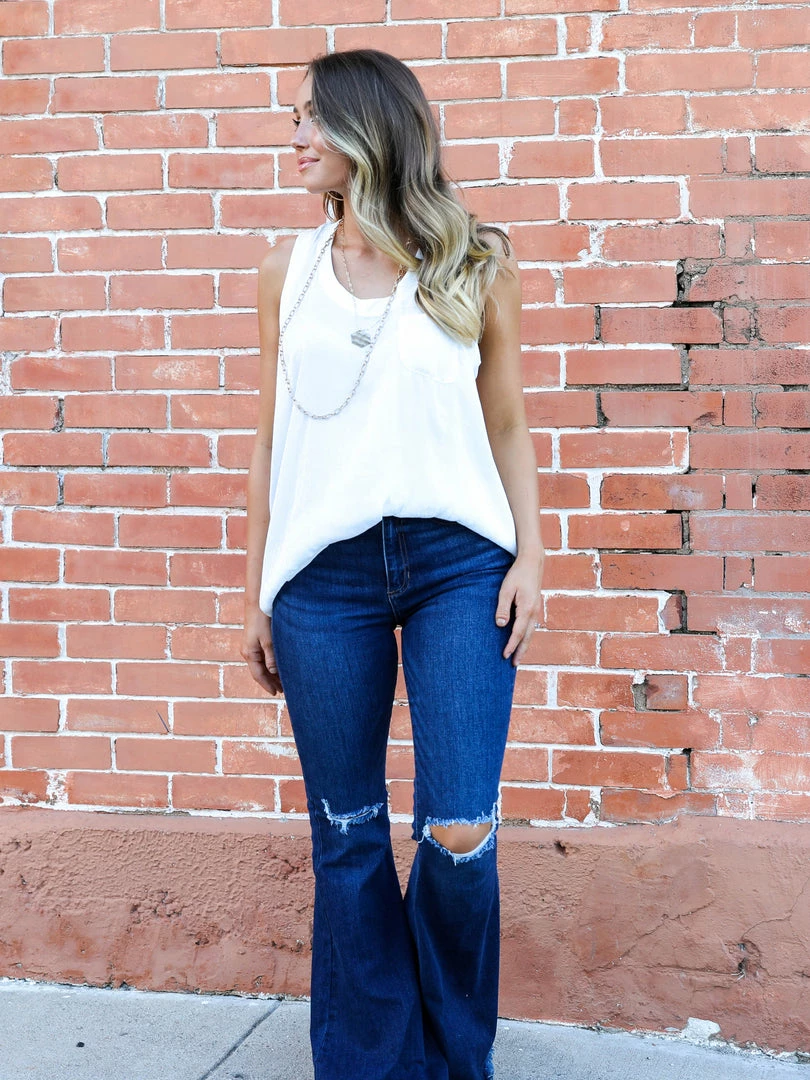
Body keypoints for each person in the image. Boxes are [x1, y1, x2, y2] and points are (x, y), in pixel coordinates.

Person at [241, 48, 544, 1080]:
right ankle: (374, 1064)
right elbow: (269, 444)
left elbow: (507, 423)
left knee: (459, 829)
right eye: (292, 120)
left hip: (459, 561)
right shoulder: (285, 273)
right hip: (323, 577)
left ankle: (453, 1054)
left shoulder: (474, 261)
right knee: (350, 831)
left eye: (311, 120)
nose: (295, 139)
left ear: (368, 129)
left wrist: (532, 555)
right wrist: (257, 594)